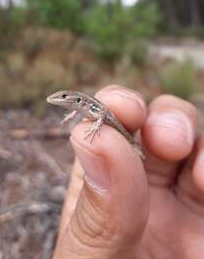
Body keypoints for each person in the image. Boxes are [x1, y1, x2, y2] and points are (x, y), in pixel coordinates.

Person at [53, 85, 204, 258]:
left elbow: (101, 115)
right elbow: (78, 111)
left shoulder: (90, 106)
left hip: (116, 126)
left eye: (64, 97)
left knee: (129, 138)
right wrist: (70, 116)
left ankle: (136, 148)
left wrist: (96, 127)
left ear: (78, 99)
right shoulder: (80, 105)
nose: (60, 99)